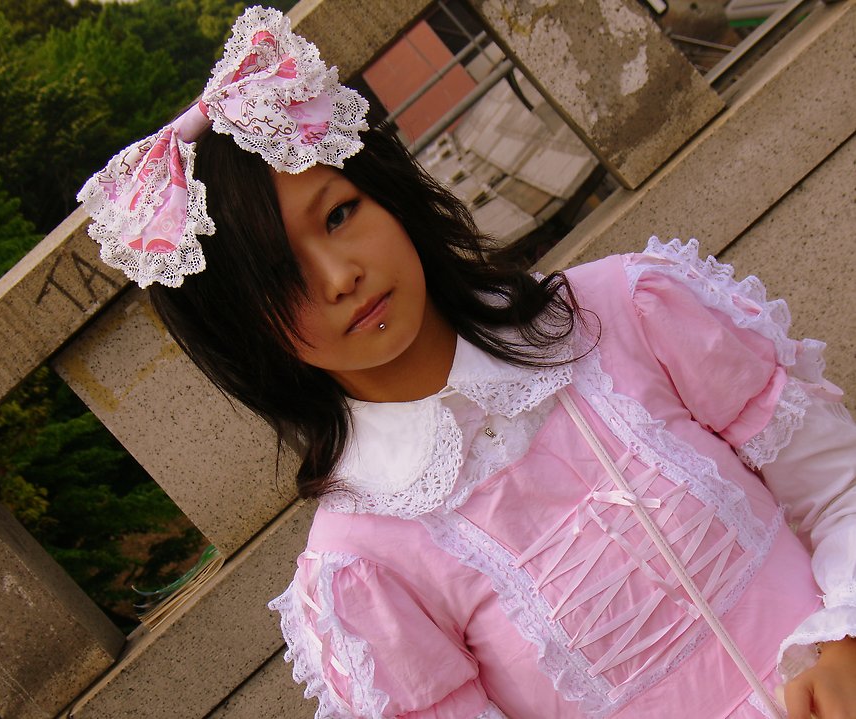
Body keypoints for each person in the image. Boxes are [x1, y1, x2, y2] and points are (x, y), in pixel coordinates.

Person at [77, 7, 856, 718]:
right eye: (285, 276)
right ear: (245, 333)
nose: (339, 274)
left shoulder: (629, 310)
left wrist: (845, 640)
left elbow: (837, 484)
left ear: (390, 197)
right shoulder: (365, 568)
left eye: (341, 214)